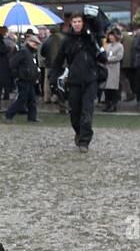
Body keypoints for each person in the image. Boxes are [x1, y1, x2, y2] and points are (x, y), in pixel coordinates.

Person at [53, 11, 104, 151]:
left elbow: (102, 57)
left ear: (83, 23)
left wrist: (99, 47)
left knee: (87, 111)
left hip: (90, 80)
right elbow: (58, 60)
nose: (76, 24)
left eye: (79, 21)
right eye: (74, 22)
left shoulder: (91, 39)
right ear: (71, 23)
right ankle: (79, 132)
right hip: (74, 81)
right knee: (74, 113)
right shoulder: (67, 40)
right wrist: (54, 77)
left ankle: (84, 141)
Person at [5, 31, 40, 123]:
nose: (36, 45)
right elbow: (13, 63)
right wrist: (19, 74)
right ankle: (9, 115)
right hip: (23, 79)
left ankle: (32, 117)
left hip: (30, 80)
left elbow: (34, 66)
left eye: (37, 44)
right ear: (29, 42)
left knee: (32, 100)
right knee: (22, 99)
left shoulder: (31, 53)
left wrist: (35, 77)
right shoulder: (23, 51)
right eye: (34, 43)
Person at [102, 28, 124, 112]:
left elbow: (119, 57)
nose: (111, 37)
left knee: (113, 88)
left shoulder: (120, 46)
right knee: (107, 88)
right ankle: (107, 104)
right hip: (107, 68)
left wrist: (109, 59)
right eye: (110, 35)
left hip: (114, 68)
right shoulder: (108, 45)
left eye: (113, 35)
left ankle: (113, 105)